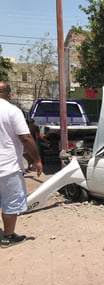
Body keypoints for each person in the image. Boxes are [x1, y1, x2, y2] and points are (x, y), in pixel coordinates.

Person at [0, 81, 43, 248]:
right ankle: (8, 237)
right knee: (11, 203)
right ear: (9, 94)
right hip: (7, 168)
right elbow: (25, 138)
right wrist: (37, 160)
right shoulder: (12, 111)